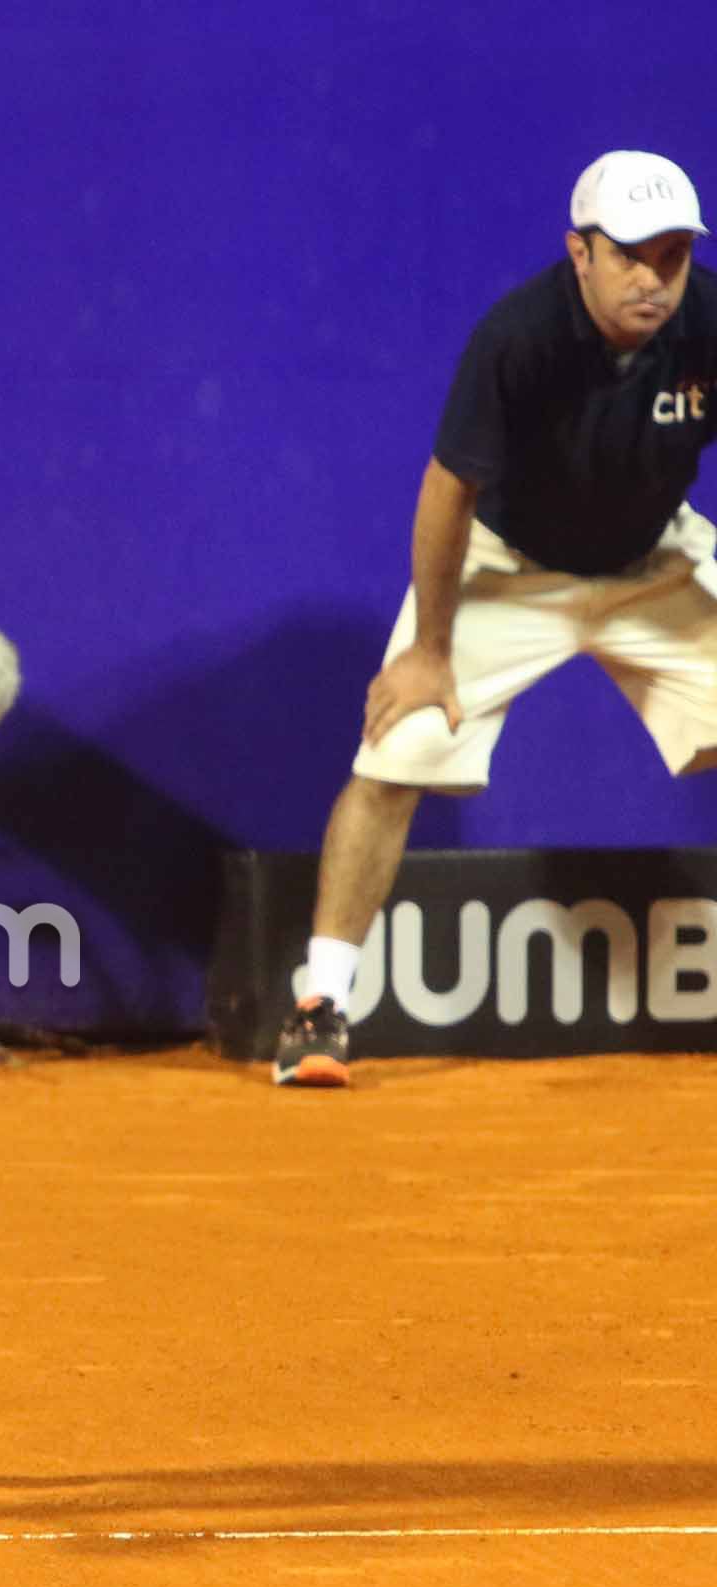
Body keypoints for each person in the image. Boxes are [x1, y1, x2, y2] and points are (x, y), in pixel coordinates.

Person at [274, 150, 717, 1087]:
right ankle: (319, 1007)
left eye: (673, 255)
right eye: (631, 254)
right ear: (580, 252)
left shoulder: (709, 324)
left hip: (652, 563)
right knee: (397, 754)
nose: (653, 277)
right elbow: (448, 492)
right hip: (508, 567)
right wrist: (431, 652)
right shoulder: (519, 337)